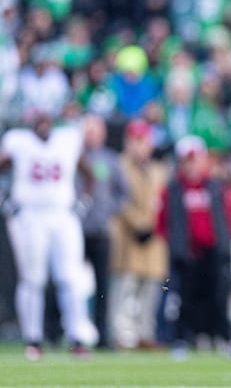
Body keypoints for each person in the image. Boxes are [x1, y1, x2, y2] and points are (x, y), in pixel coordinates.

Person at [0, 111, 97, 360]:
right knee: (33, 278)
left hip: (63, 215)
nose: (43, 125)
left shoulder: (67, 140)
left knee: (70, 276)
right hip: (30, 216)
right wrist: (5, 200)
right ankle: (33, 338)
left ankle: (78, 337)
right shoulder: (18, 142)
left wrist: (84, 203)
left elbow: (88, 173)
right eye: (38, 120)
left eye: (46, 120)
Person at [157, 135, 231, 361]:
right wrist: (175, 247)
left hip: (213, 252)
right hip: (187, 254)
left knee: (219, 298)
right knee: (184, 300)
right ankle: (182, 340)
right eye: (187, 160)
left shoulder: (215, 186)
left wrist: (225, 246)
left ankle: (226, 339)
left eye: (195, 159)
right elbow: (163, 221)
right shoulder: (174, 188)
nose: (191, 165)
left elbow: (227, 218)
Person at [109, 120, 168, 350]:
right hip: (128, 237)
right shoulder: (119, 166)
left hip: (154, 239)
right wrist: (139, 223)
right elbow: (119, 200)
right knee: (125, 288)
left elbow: (162, 202)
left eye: (144, 141)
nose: (141, 146)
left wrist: (154, 225)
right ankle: (121, 336)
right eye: (136, 141)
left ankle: (145, 334)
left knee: (150, 292)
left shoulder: (158, 169)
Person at [80, 115, 129, 349]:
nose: (91, 135)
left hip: (100, 230)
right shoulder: (73, 156)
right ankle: (64, 331)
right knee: (69, 283)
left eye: (94, 130)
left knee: (102, 286)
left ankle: (102, 334)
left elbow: (123, 192)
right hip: (75, 229)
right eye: (87, 130)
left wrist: (109, 211)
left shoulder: (109, 160)